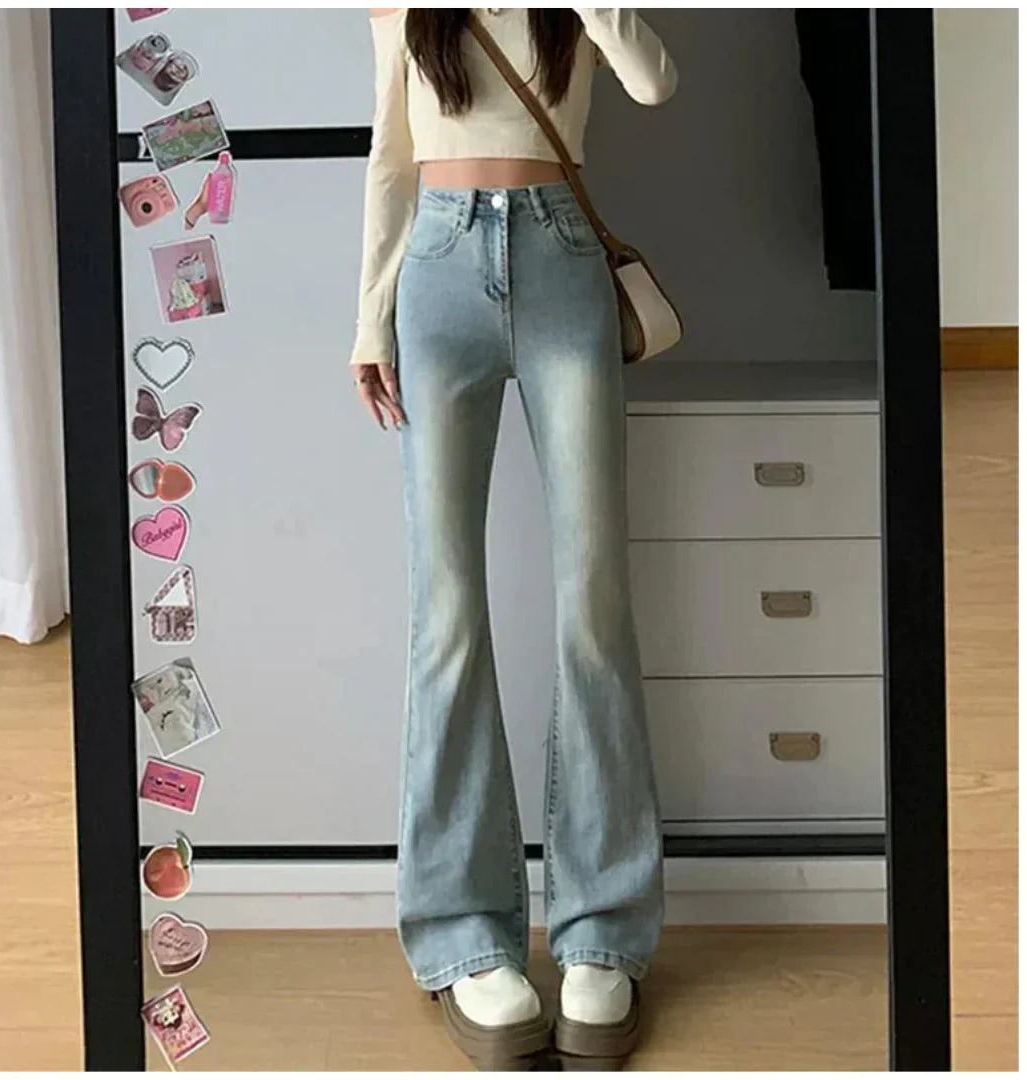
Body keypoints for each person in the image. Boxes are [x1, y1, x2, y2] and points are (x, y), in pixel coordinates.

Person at [349, 8, 678, 1069]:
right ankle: (462, 935)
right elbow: (390, 153)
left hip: (560, 255)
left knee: (594, 606)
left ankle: (603, 931)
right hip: (436, 267)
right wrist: (369, 318)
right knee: (445, 613)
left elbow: (655, 81)